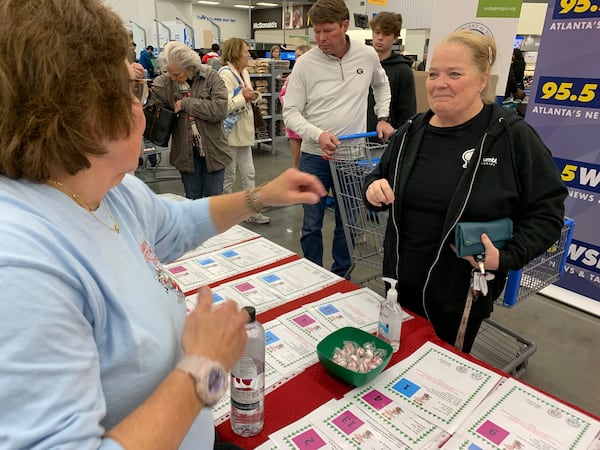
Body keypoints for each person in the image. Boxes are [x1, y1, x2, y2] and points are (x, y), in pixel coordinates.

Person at [0, 1, 327, 449]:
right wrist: (206, 368)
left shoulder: (108, 190)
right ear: (82, 113)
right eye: (131, 91)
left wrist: (260, 197)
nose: (142, 107)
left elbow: (173, 223)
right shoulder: (21, 266)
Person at [362, 30, 567, 353]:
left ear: (482, 79)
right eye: (433, 74)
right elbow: (377, 176)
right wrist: (372, 187)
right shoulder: (412, 132)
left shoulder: (512, 138)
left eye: (454, 74)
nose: (439, 83)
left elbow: (547, 213)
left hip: (460, 297)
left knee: (439, 375)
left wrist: (507, 256)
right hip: (398, 285)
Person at [282, 0, 394, 277]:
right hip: (314, 157)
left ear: (345, 26)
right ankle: (313, 274)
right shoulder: (305, 64)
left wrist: (383, 117)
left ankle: (340, 276)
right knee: (311, 224)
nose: (320, 39)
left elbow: (381, 86)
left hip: (353, 158)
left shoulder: (367, 56)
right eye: (316, 32)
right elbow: (291, 112)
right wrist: (317, 135)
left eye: (327, 31)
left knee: (349, 223)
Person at [151, 41, 232, 199]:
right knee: (191, 200)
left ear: (190, 67)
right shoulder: (166, 83)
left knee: (213, 201)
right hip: (186, 154)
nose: (173, 78)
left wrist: (186, 103)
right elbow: (153, 101)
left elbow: (220, 110)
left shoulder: (210, 77)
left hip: (213, 151)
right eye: (170, 73)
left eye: (177, 74)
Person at [219, 37, 270, 224]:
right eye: (245, 51)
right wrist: (244, 98)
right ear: (235, 53)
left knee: (249, 173)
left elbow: (253, 95)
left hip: (244, 133)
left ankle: (251, 211)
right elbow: (225, 106)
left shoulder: (245, 72)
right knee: (228, 176)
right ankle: (225, 212)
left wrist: (254, 96)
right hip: (231, 133)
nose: (248, 54)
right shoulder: (225, 75)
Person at [367, 11, 416, 132]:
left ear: (394, 38)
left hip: (386, 139)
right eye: (377, 32)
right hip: (357, 137)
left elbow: (407, 111)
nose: (380, 37)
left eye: (386, 34)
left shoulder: (403, 71)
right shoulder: (362, 65)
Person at [278, 44, 311, 168]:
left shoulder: (316, 77)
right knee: (297, 160)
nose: (297, 59)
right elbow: (283, 96)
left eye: (300, 56)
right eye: (296, 56)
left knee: (310, 161)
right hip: (295, 125)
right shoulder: (291, 78)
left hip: (312, 123)